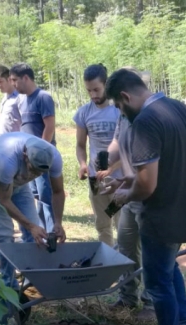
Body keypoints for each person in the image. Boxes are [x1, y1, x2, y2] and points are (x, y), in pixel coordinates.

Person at [104, 69, 186, 325]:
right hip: (184, 206)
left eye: (119, 108)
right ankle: (185, 324)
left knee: (157, 280)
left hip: (162, 215)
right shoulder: (179, 108)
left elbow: (148, 184)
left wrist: (125, 194)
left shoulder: (147, 121)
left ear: (125, 97)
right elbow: (167, 167)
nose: (122, 115)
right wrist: (124, 182)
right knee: (168, 268)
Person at [0, 132, 66, 289]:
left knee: (36, 236)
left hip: (19, 184)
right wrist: (31, 226)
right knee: (5, 234)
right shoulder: (6, 159)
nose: (36, 175)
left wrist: (58, 222)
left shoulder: (54, 157)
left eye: (41, 172)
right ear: (25, 155)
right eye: (34, 169)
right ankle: (8, 286)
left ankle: (31, 281)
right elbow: (3, 199)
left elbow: (58, 191)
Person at [98, 68, 154, 319]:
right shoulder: (125, 117)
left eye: (120, 104)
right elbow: (117, 144)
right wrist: (102, 164)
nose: (119, 110)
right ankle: (127, 298)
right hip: (130, 189)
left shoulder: (150, 118)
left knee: (154, 251)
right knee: (125, 246)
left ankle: (151, 302)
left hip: (149, 193)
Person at [74, 64, 121, 247]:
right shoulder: (84, 112)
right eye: (89, 91)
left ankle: (127, 269)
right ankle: (107, 265)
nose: (93, 95)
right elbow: (80, 144)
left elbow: (128, 147)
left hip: (119, 179)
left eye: (96, 89)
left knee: (122, 226)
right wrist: (83, 163)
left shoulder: (119, 109)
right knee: (102, 226)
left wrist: (112, 168)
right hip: (96, 179)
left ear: (106, 84)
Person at [10, 63, 56, 234]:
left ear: (26, 78)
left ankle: (51, 235)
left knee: (46, 197)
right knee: (35, 196)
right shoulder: (21, 100)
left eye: (15, 80)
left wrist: (39, 154)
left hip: (42, 160)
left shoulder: (43, 97)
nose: (13, 84)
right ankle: (40, 232)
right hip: (27, 161)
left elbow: (49, 127)